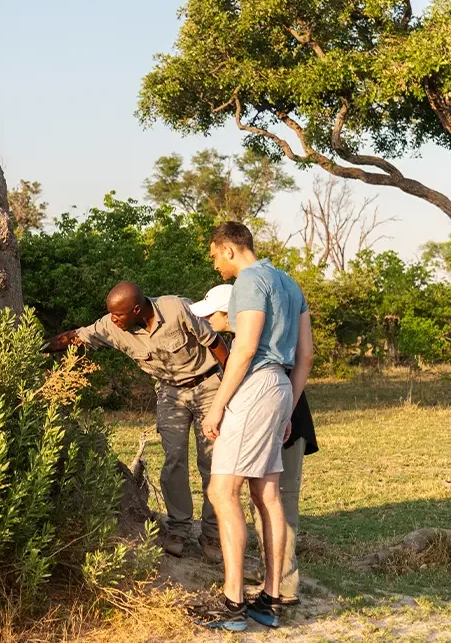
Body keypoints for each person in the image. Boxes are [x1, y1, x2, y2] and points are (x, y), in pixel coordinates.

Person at [41, 281, 230, 561]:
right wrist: (38, 348)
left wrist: (231, 385)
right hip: (170, 392)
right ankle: (178, 529)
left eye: (118, 314)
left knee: (212, 462)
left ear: (137, 310)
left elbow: (215, 343)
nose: (113, 319)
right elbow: (76, 337)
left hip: (208, 385)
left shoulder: (176, 308)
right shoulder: (111, 326)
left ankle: (212, 533)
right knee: (174, 459)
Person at [196, 222, 314, 632]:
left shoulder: (248, 280)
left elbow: (244, 349)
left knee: (222, 490)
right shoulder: (290, 283)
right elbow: (306, 356)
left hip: (255, 386)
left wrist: (217, 407)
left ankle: (232, 603)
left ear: (229, 249)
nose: (215, 264)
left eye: (215, 255)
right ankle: (271, 599)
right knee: (267, 493)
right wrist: (287, 409)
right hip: (281, 386)